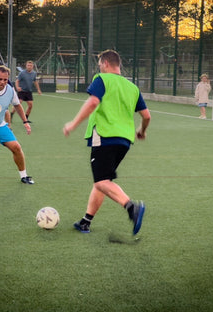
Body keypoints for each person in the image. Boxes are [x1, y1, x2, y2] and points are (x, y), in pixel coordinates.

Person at [63, 49, 151, 235]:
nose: (99, 68)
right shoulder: (132, 87)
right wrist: (141, 131)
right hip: (125, 140)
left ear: (104, 64)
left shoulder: (102, 79)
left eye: (99, 65)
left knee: (102, 180)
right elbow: (146, 116)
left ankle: (131, 207)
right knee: (102, 181)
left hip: (104, 135)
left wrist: (73, 124)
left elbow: (93, 102)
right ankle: (86, 221)